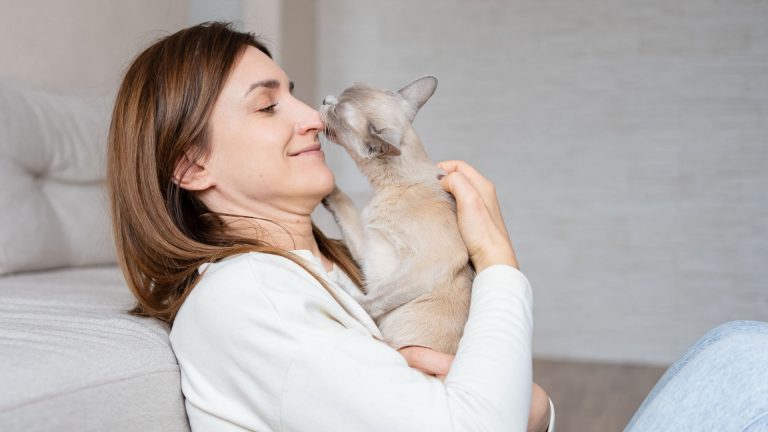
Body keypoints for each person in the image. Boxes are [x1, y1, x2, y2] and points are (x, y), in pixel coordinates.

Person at [107, 22, 767, 432]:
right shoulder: (245, 300)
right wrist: (500, 264)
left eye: (296, 92)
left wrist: (533, 411)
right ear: (191, 164)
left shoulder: (329, 264)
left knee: (741, 355)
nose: (310, 115)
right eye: (268, 105)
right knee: (747, 361)